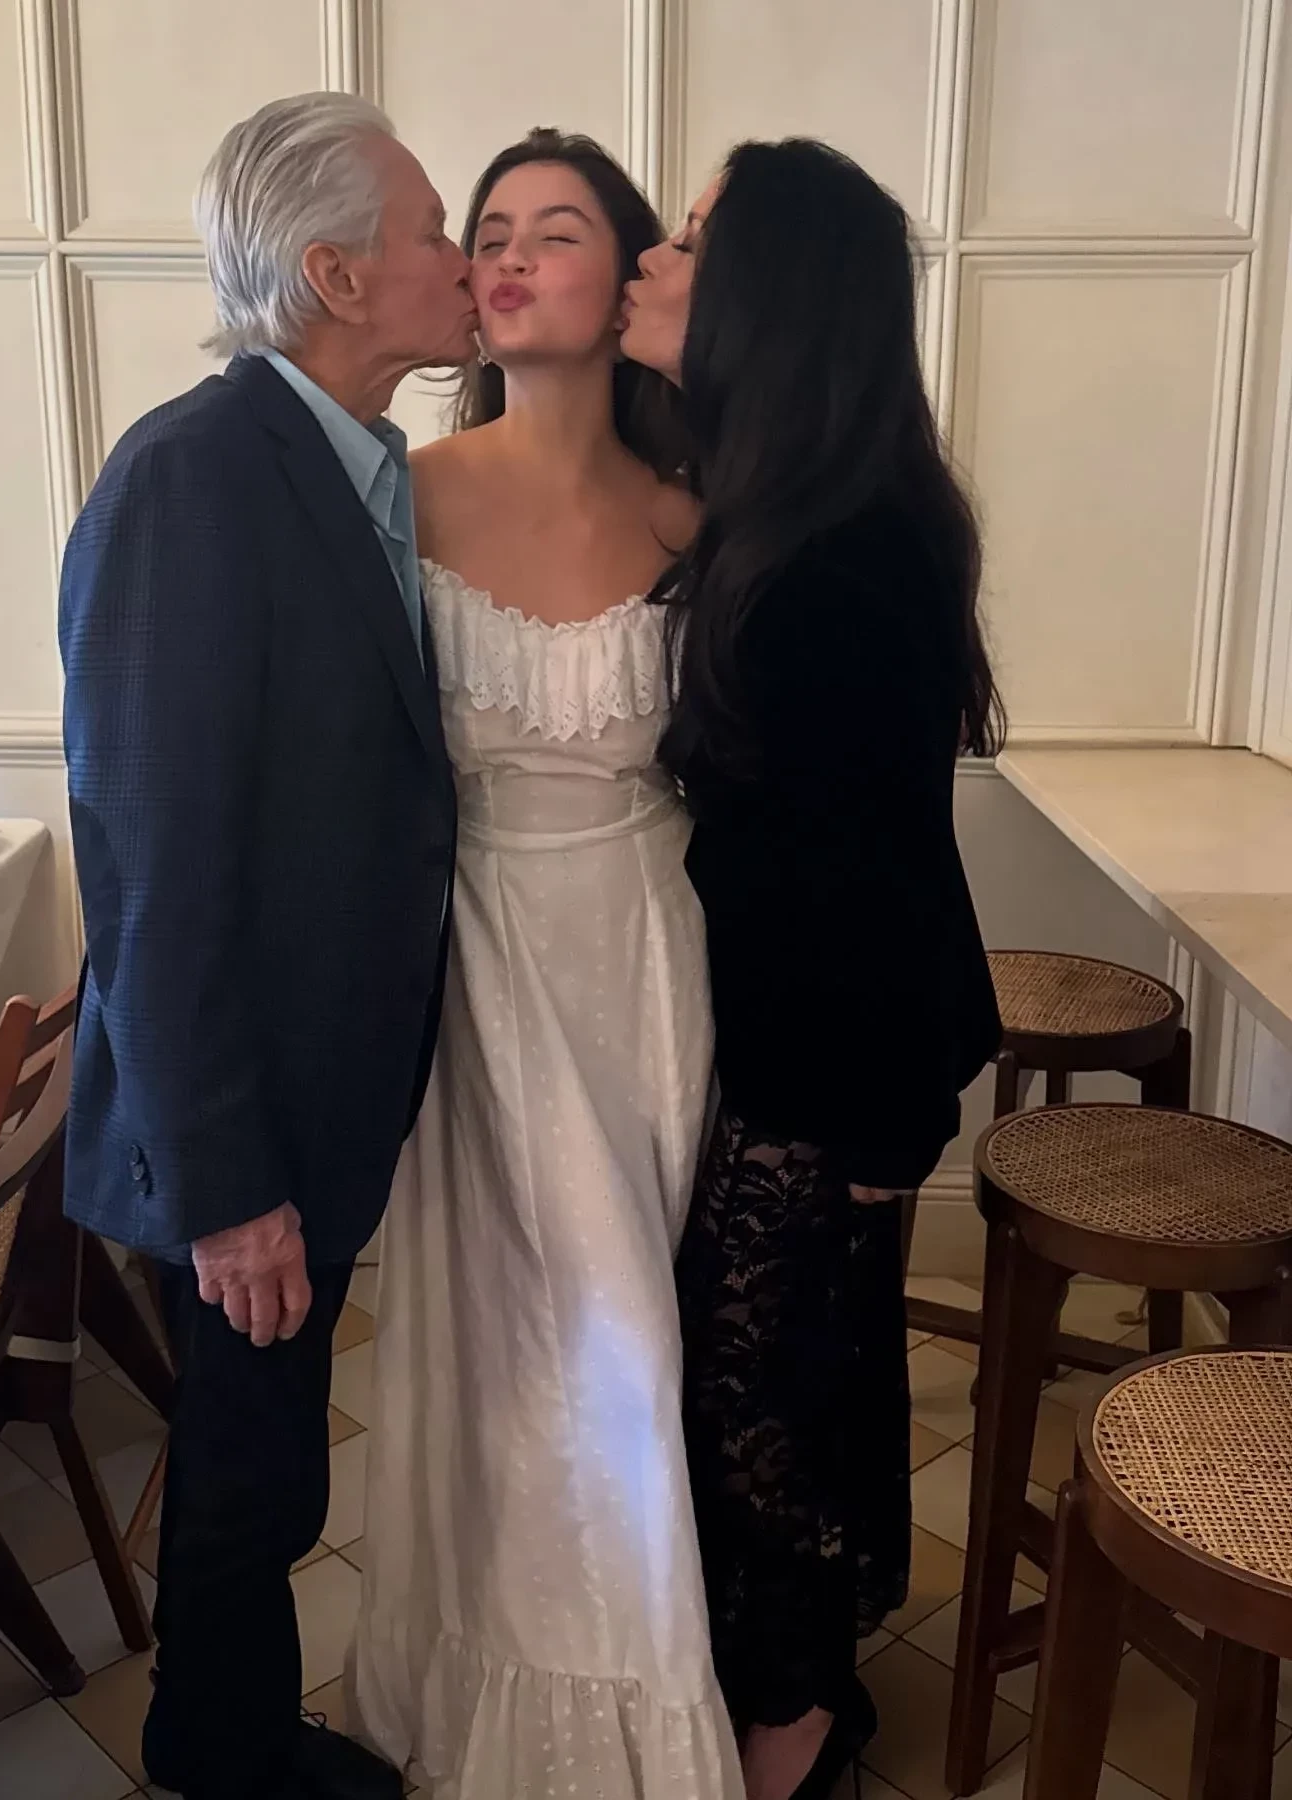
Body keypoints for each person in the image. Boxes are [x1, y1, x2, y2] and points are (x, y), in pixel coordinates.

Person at [58, 93, 477, 1800]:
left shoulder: (350, 466)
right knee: (248, 1472)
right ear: (335, 274)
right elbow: (150, 866)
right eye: (435, 230)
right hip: (243, 1116)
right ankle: (221, 1756)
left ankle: (216, 1729)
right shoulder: (193, 475)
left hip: (310, 1090)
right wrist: (227, 1184)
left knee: (269, 1452)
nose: (463, 260)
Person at [351, 129, 743, 1799]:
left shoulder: (697, 511)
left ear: (631, 269)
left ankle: (646, 1699)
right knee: (513, 1352)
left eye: (556, 230)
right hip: (476, 967)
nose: (508, 257)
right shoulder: (400, 493)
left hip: (650, 967)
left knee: (634, 1347)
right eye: (490, 229)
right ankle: (513, 1694)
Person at [620, 139, 1004, 1800]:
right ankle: (800, 1690)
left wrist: (876, 1139)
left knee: (759, 1398)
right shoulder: (795, 506)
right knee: (783, 1378)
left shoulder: (844, 553)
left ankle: (790, 1729)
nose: (654, 255)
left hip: (831, 1070)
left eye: (692, 239)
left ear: (768, 295)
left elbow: (874, 874)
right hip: (794, 1049)